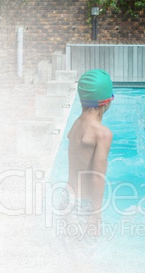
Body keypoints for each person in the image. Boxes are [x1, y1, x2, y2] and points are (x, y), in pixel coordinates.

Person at [59, 69, 114, 238]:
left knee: (70, 254)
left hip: (66, 198)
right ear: (107, 102)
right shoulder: (102, 133)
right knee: (84, 260)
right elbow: (97, 176)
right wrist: (95, 214)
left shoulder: (76, 124)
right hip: (83, 205)